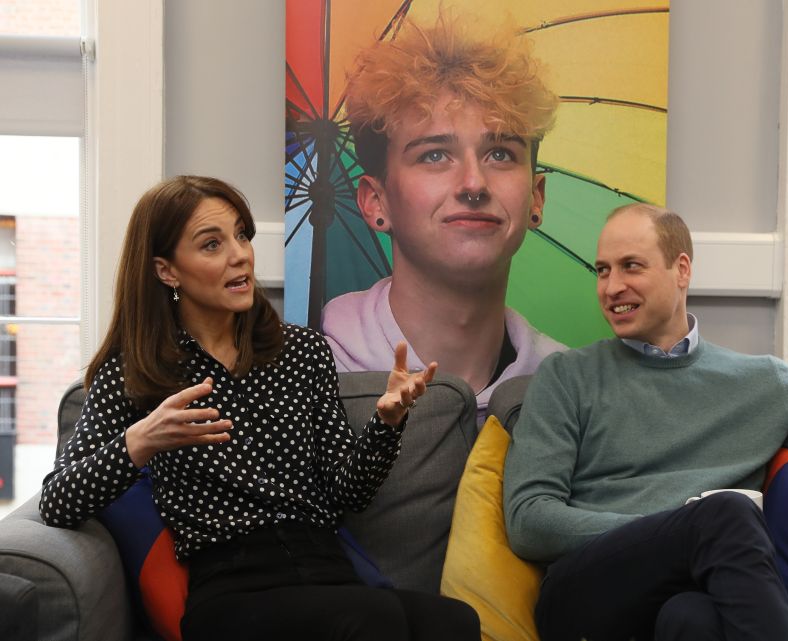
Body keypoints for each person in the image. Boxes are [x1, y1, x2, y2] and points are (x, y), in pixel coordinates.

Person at [39, 176, 480, 641]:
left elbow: (348, 493)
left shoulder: (303, 352)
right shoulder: (134, 371)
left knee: (454, 622)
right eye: (212, 244)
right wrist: (141, 441)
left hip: (326, 569)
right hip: (233, 590)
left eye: (242, 235)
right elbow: (58, 502)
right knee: (371, 619)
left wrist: (387, 423)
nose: (240, 255)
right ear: (167, 271)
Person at [502, 203, 788, 641]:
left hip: (698, 588)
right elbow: (529, 520)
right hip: (586, 595)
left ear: (681, 269)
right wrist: (681, 528)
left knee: (693, 618)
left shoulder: (768, 383)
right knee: (727, 513)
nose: (612, 287)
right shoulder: (566, 377)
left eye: (631, 266)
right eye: (602, 270)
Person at [322, 14, 564, 418]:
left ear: (536, 198)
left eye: (500, 154)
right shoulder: (312, 381)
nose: (474, 183)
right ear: (374, 202)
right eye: (434, 155)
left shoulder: (573, 391)